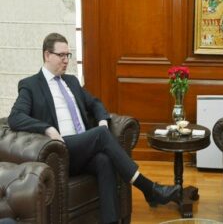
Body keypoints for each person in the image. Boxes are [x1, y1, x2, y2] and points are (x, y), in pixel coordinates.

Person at [8, 33, 180, 224]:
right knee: (100, 136)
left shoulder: (71, 81)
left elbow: (95, 103)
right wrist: (47, 128)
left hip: (83, 148)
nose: (66, 60)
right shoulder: (31, 85)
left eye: (68, 55)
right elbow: (15, 117)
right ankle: (149, 189)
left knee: (104, 160)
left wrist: (103, 121)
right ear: (47, 55)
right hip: (61, 150)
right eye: (61, 55)